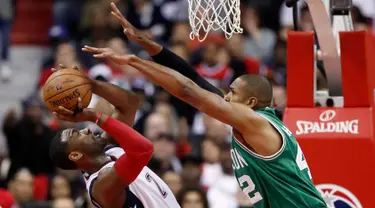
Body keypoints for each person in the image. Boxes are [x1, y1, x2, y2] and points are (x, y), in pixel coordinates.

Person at [82, 3, 328, 207]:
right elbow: (194, 78)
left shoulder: (256, 122)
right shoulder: (251, 119)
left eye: (232, 92)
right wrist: (148, 44)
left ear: (251, 102)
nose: (225, 97)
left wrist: (135, 61)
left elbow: (190, 91)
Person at [50, 66, 180, 208]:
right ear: (75, 155)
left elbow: (130, 103)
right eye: (77, 134)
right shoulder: (102, 186)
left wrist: (89, 84)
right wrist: (94, 116)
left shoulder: (109, 151)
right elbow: (143, 150)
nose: (85, 130)